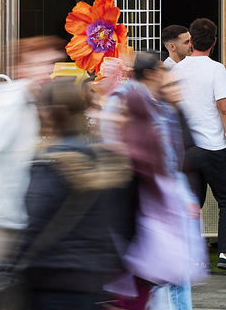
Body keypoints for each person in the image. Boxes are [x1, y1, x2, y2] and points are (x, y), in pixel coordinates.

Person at [14, 79, 132, 309]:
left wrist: (9, 268)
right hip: (91, 280)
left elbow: (33, 226)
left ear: (49, 114)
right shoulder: (102, 161)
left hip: (51, 281)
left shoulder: (48, 165)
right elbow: (121, 224)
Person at [105, 53, 206, 310]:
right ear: (151, 73)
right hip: (141, 200)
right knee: (147, 275)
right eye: (162, 71)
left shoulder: (157, 105)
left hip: (157, 199)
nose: (168, 78)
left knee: (155, 275)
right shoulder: (131, 100)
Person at [0, 37, 65, 284]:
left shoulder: (31, 101)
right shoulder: (12, 100)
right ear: (22, 68)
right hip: (2, 218)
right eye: (39, 64)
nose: (46, 71)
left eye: (50, 64)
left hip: (19, 217)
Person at [172, 18, 226, 275]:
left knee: (192, 202)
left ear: (190, 42)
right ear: (214, 43)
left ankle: (193, 257)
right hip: (214, 146)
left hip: (186, 149)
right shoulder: (215, 68)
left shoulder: (175, 71)